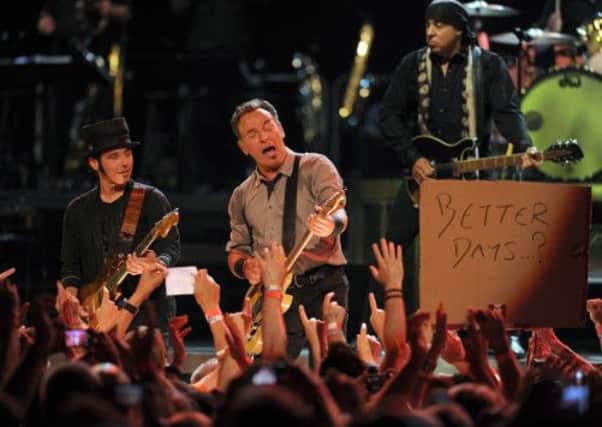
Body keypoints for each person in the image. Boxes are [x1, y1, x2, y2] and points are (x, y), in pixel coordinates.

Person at [379, 0, 537, 313]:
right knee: (392, 246)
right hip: (423, 174)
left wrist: (524, 145)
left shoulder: (488, 65)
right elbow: (389, 115)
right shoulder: (412, 64)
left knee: (482, 254)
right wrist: (412, 158)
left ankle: (480, 328)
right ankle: (383, 323)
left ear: (459, 30)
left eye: (438, 25)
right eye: (427, 25)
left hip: (472, 173)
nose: (430, 32)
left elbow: (507, 112)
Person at [226, 98, 349, 358]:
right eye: (252, 134)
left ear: (281, 129)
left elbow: (339, 212)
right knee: (270, 369)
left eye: (268, 126)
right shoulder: (241, 195)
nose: (264, 137)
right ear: (243, 147)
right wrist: (245, 266)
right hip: (275, 292)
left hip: (323, 283)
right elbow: (236, 250)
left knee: (330, 368)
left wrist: (330, 225)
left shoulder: (315, 166)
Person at [60, 116, 181, 335]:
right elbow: (71, 267)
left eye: (128, 153)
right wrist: (71, 299)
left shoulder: (151, 199)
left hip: (147, 319)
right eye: (114, 156)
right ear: (94, 163)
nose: (125, 163)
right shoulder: (77, 210)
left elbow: (171, 248)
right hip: (97, 318)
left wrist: (155, 261)